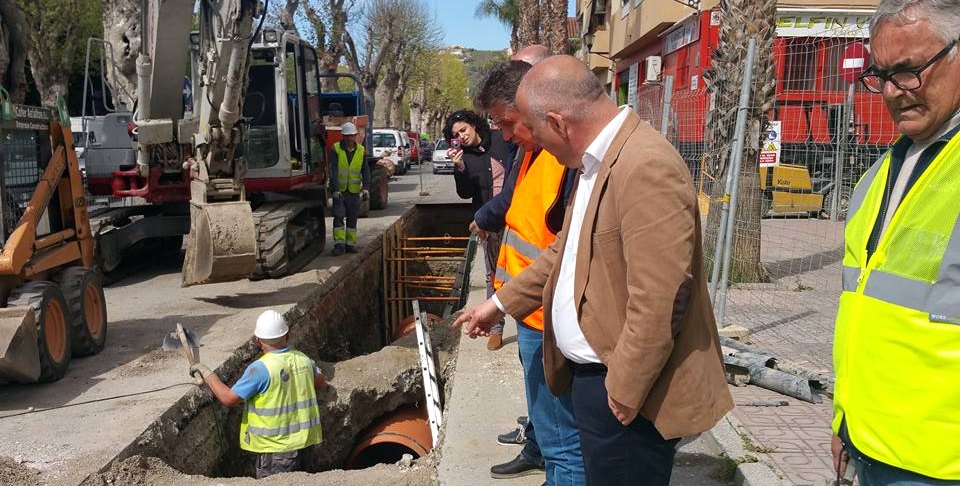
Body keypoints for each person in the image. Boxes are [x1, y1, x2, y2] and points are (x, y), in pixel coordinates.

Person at [453, 55, 733, 485]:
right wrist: (499, 304)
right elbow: (562, 253)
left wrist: (625, 387)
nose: (532, 144)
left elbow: (661, 297)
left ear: (558, 122)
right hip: (597, 379)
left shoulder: (644, 165)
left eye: (535, 131)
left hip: (624, 390)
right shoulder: (593, 163)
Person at [830, 1, 960, 484]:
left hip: (940, 463)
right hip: (873, 442)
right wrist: (845, 420)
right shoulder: (883, 170)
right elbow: (864, 308)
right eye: (880, 75)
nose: (890, 92)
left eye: (909, 72)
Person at [474, 58, 586, 486]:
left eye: (507, 122)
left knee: (565, 441)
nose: (504, 136)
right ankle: (545, 460)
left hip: (549, 317)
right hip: (532, 311)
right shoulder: (533, 153)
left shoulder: (563, 159)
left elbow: (562, 248)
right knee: (555, 432)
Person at [190, 310, 325, 479]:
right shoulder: (304, 360)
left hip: (276, 452)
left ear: (258, 341)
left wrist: (207, 374)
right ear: (288, 334)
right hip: (305, 446)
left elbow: (228, 398)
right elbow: (320, 382)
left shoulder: (260, 369)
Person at [444, 110, 508, 350]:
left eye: (463, 130)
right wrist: (460, 167)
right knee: (494, 274)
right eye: (456, 134)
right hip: (489, 223)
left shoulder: (501, 140)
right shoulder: (465, 157)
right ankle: (496, 328)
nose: (461, 136)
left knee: (521, 268)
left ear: (474, 125)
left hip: (516, 216)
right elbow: (465, 193)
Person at [328, 121, 369, 255]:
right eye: (347, 136)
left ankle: (350, 244)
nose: (349, 138)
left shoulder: (361, 150)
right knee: (339, 216)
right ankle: (339, 245)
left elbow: (365, 171)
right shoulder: (336, 149)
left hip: (353, 191)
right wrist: (334, 189)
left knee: (352, 218)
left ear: (356, 136)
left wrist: (366, 188)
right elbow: (333, 171)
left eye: (352, 136)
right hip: (340, 191)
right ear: (343, 136)